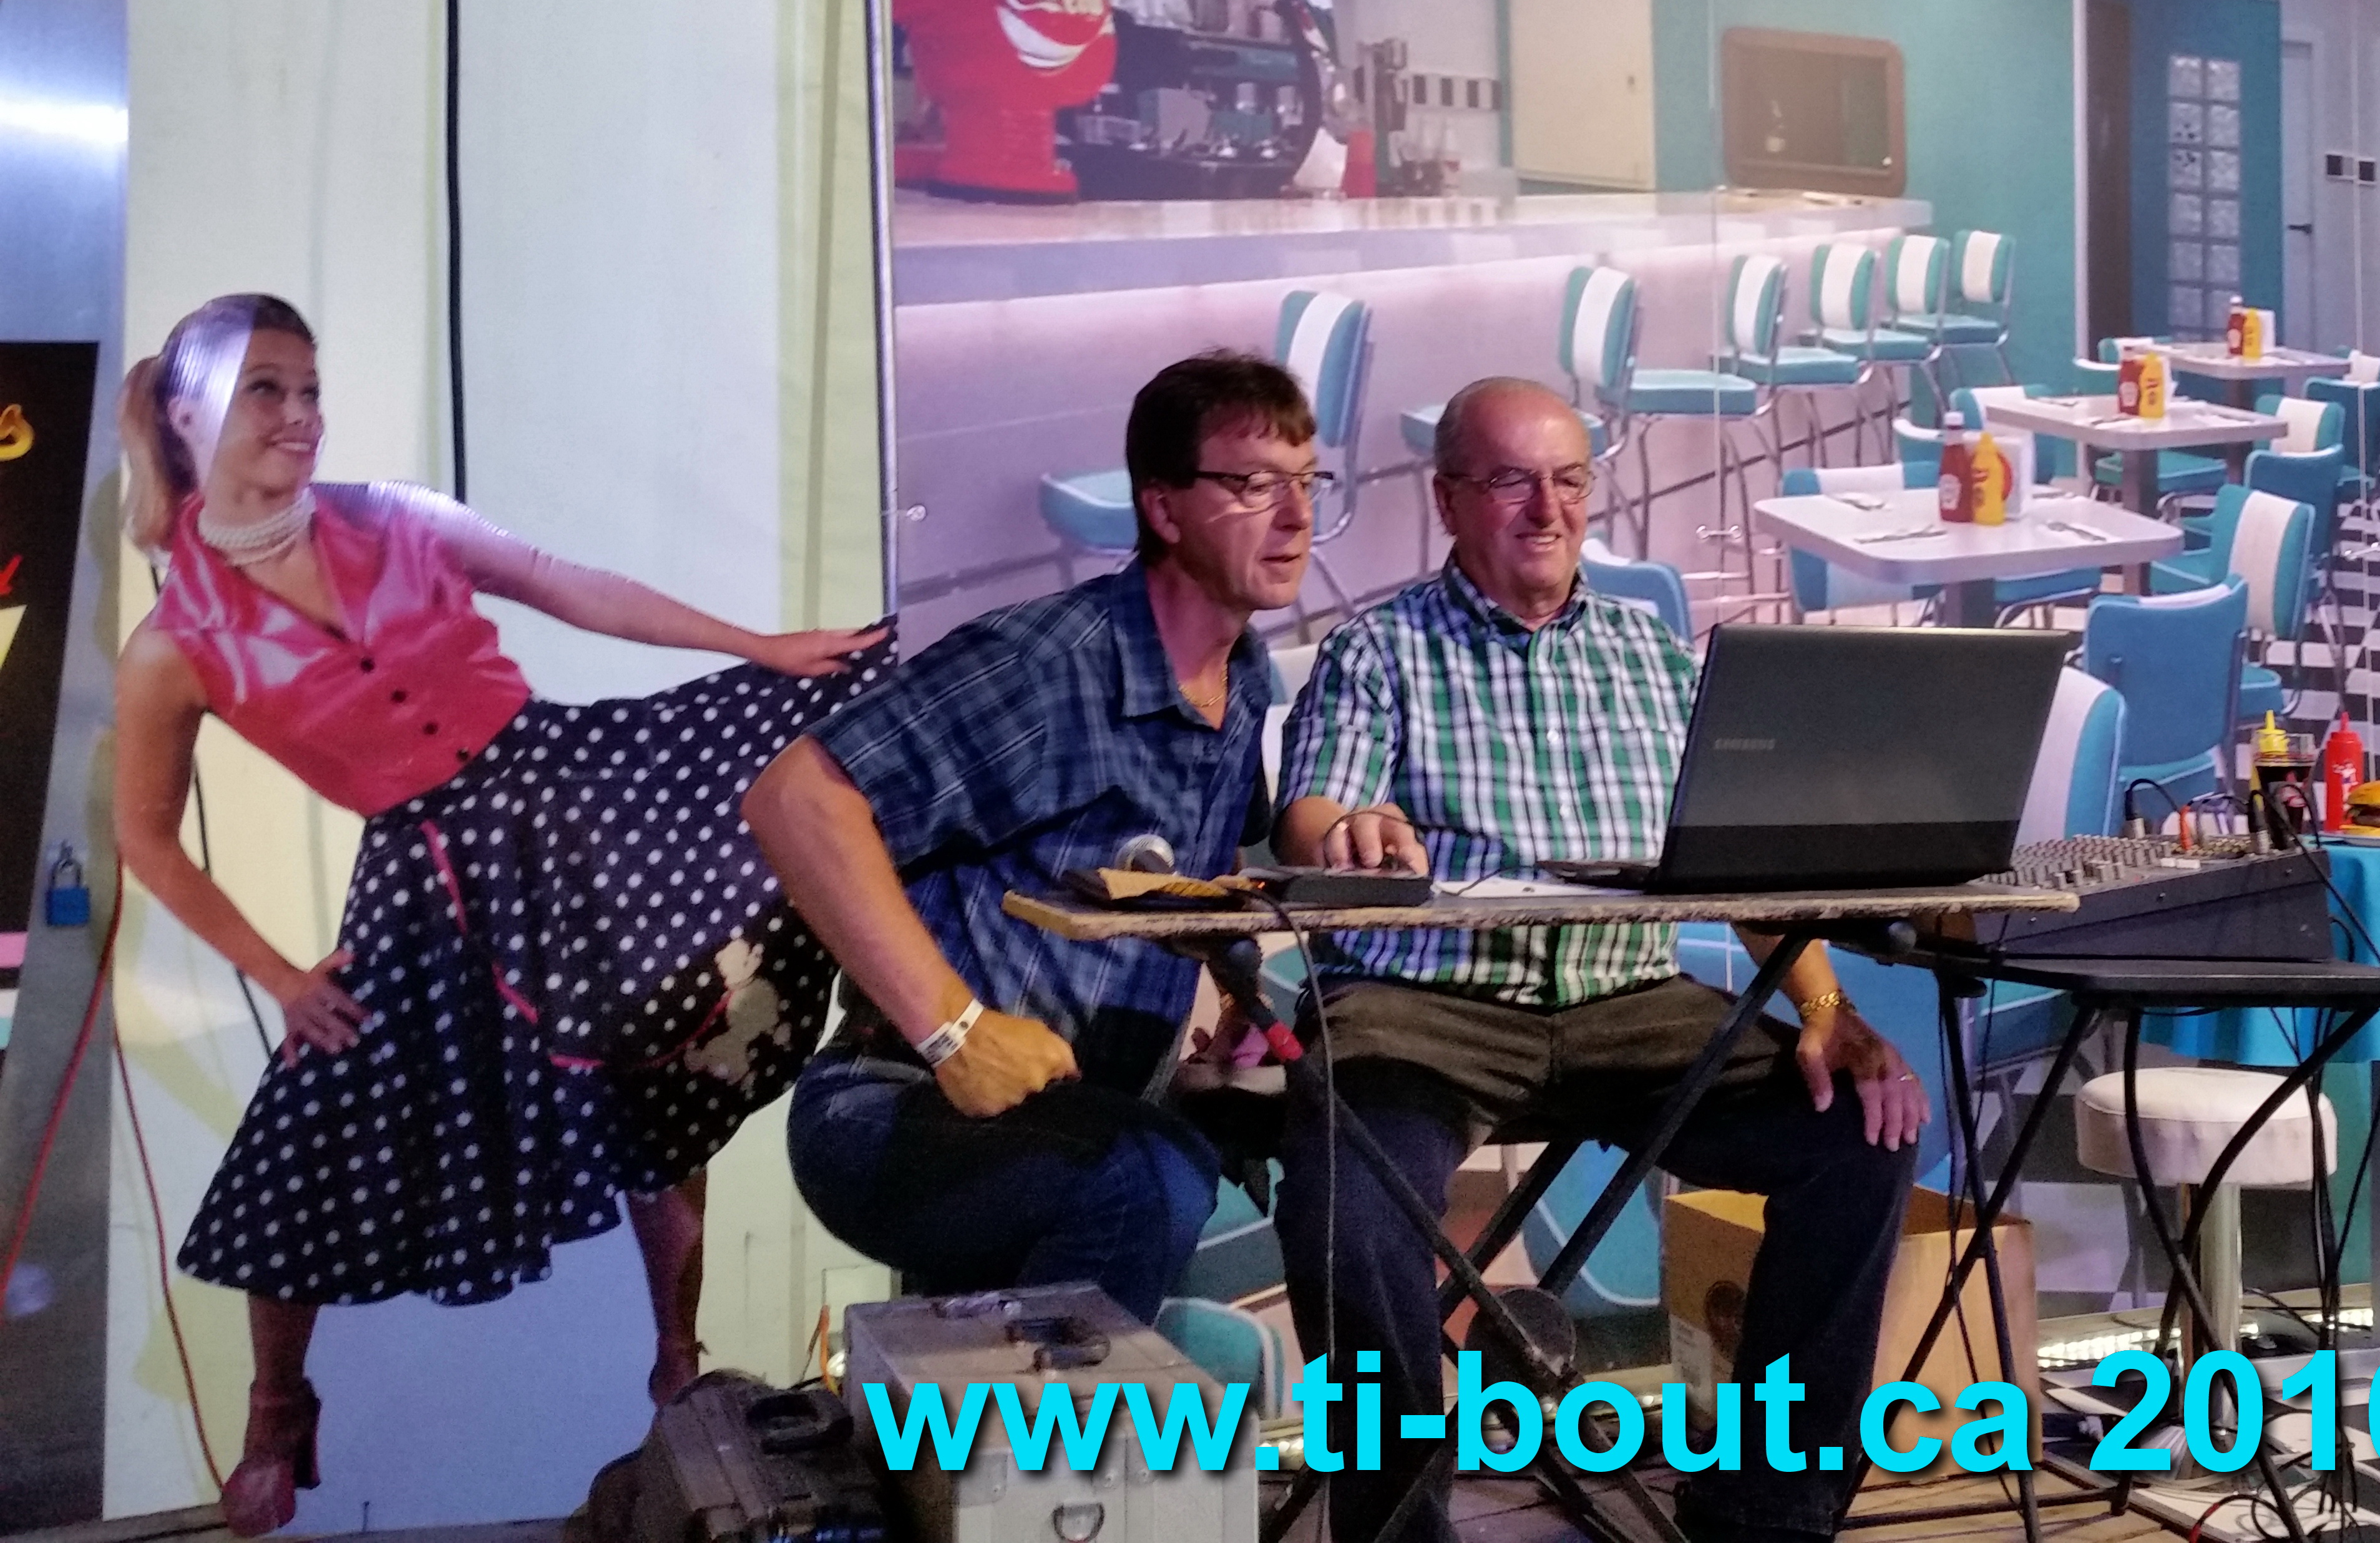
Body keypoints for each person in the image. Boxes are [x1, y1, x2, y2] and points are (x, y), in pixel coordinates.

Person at [114, 294, 884, 1537]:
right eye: (267, 390)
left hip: (572, 791)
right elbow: (146, 838)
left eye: (310, 389)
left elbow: (562, 585)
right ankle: (277, 1402)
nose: (301, 416)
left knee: (667, 1036)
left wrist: (759, 646)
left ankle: (675, 1355)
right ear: (192, 412)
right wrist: (281, 976)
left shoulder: (394, 516)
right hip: (429, 866)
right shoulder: (174, 645)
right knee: (313, 1118)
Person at [1275, 376, 1928, 1543]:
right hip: (1424, 1009)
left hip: (1635, 1003)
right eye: (1512, 481)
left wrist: (1828, 1006)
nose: (1548, 508)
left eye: (1569, 479)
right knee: (1350, 1202)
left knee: (1857, 1132)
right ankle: (1398, 1529)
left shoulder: (1652, 654)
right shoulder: (1378, 649)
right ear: (1449, 501)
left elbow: (1738, 865)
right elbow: (1310, 813)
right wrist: (1350, 830)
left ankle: (1768, 1516)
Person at [746, 350, 1318, 1324]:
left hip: (1087, 1112)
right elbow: (795, 798)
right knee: (1149, 1177)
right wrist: (957, 1032)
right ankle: (1047, 1428)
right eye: (1255, 485)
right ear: (1164, 508)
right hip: (894, 1099)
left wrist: (1234, 1002)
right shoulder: (1049, 662)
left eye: (1308, 481)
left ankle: (1373, 1430)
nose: (1297, 516)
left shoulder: (1243, 680)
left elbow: (1198, 873)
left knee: (1339, 1135)